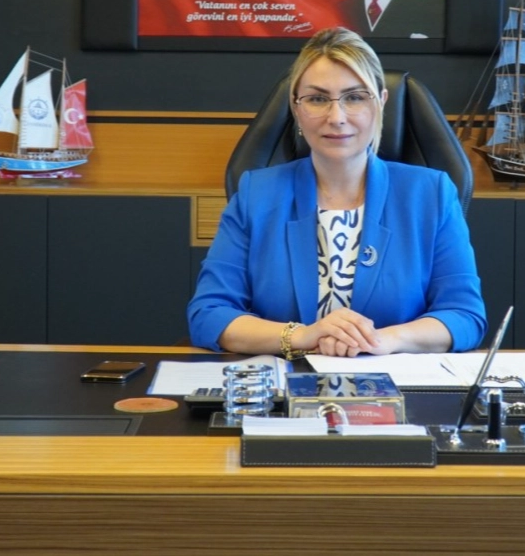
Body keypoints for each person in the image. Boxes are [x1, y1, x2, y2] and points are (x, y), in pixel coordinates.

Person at [187, 27, 485, 358]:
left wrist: (383, 340)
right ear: (296, 108)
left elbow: (464, 317)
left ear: (381, 103)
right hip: (286, 384)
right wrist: (302, 335)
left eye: (355, 97)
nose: (337, 117)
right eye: (317, 99)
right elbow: (209, 315)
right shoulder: (256, 194)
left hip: (396, 384)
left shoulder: (431, 194)